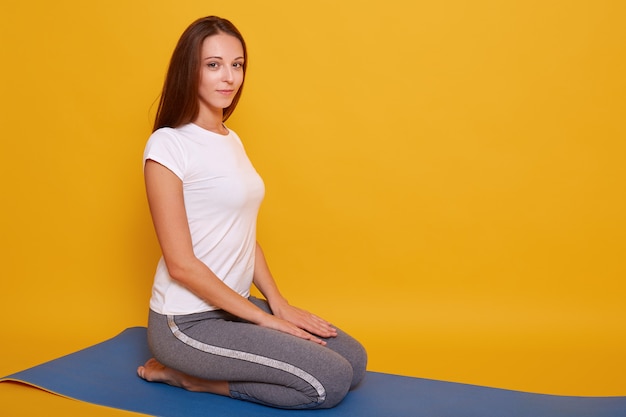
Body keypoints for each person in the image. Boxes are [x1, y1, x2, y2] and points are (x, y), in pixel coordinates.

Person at [136, 16, 367, 410]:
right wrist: (265, 320)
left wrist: (279, 303)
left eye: (237, 64)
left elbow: (241, 231)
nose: (228, 77)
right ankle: (191, 380)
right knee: (328, 382)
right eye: (213, 65)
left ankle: (229, 350)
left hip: (230, 308)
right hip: (186, 322)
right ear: (189, 70)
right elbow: (181, 265)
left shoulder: (231, 138)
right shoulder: (168, 146)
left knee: (354, 361)